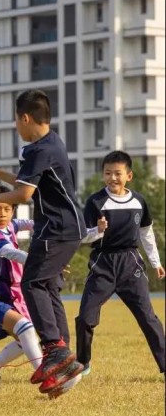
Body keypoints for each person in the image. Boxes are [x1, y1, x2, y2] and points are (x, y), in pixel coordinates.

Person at [0, 89, 87, 395]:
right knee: (47, 286)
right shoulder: (51, 142)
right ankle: (61, 353)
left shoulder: (38, 150)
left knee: (32, 284)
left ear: (24, 118)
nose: (16, 127)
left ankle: (55, 349)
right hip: (66, 228)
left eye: (16, 120)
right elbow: (27, 184)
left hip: (56, 229)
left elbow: (24, 195)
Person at [0, 184, 84, 398]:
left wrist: (74, 229)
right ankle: (53, 376)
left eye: (7, 208)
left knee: (24, 339)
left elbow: (30, 223)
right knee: (27, 330)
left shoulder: (9, 226)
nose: (2, 213)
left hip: (6, 297)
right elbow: (14, 254)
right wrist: (50, 263)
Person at [76, 150, 165, 376]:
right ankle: (82, 363)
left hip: (131, 263)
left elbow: (146, 233)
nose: (112, 178)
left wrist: (155, 262)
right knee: (86, 317)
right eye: (107, 173)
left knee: (148, 318)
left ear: (129, 176)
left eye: (117, 173)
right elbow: (83, 237)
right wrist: (98, 230)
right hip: (102, 263)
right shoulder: (95, 202)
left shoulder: (139, 201)